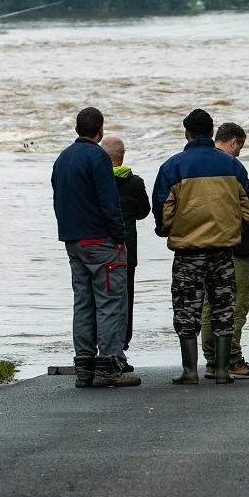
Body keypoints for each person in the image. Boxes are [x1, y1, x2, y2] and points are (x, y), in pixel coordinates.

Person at [152, 109, 249, 385]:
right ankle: (221, 370)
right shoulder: (233, 166)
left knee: (186, 310)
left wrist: (167, 230)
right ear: (211, 133)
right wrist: (235, 229)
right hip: (223, 251)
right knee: (223, 308)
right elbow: (248, 206)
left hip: (187, 252)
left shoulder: (173, 166)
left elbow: (162, 210)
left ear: (187, 133)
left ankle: (190, 371)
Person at [51, 107, 141, 388]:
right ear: (99, 130)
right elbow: (109, 201)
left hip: (73, 241)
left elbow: (57, 197)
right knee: (111, 303)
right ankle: (109, 368)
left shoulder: (62, 158)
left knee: (83, 304)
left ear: (78, 128)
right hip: (101, 241)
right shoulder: (99, 157)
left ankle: (84, 368)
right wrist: (119, 237)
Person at [201, 122, 249, 380]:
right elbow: (247, 202)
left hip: (206, 243)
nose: (239, 151)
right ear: (233, 142)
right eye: (240, 146)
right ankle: (232, 358)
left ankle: (211, 360)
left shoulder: (195, 163)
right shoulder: (232, 166)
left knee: (209, 304)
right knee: (236, 303)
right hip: (235, 244)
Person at [100, 135, 151, 356]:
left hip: (99, 249)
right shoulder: (135, 183)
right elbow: (144, 212)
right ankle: (122, 346)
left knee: (100, 300)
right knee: (125, 299)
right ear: (123, 156)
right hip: (127, 250)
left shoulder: (96, 181)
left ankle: (100, 348)